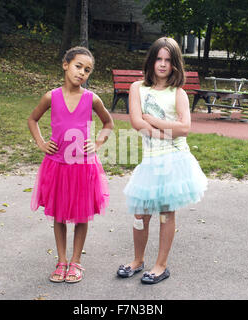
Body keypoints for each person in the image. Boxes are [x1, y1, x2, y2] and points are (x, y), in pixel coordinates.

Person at [117, 37, 208, 284]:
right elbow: (136, 122)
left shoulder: (177, 93)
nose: (162, 64)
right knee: (140, 215)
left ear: (175, 64)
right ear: (151, 60)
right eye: (159, 58)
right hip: (150, 161)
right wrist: (165, 130)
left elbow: (185, 128)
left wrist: (155, 122)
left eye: (168, 60)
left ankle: (161, 265)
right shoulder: (137, 88)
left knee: (166, 214)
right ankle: (137, 260)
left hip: (174, 160)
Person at [28, 46, 114, 283]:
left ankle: (76, 262)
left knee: (81, 214)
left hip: (83, 165)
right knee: (59, 214)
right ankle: (61, 260)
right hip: (56, 164)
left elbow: (108, 123)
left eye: (87, 70)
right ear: (65, 65)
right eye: (78, 66)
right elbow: (32, 119)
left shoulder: (91, 98)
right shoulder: (51, 96)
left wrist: (97, 143)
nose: (82, 73)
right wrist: (41, 142)